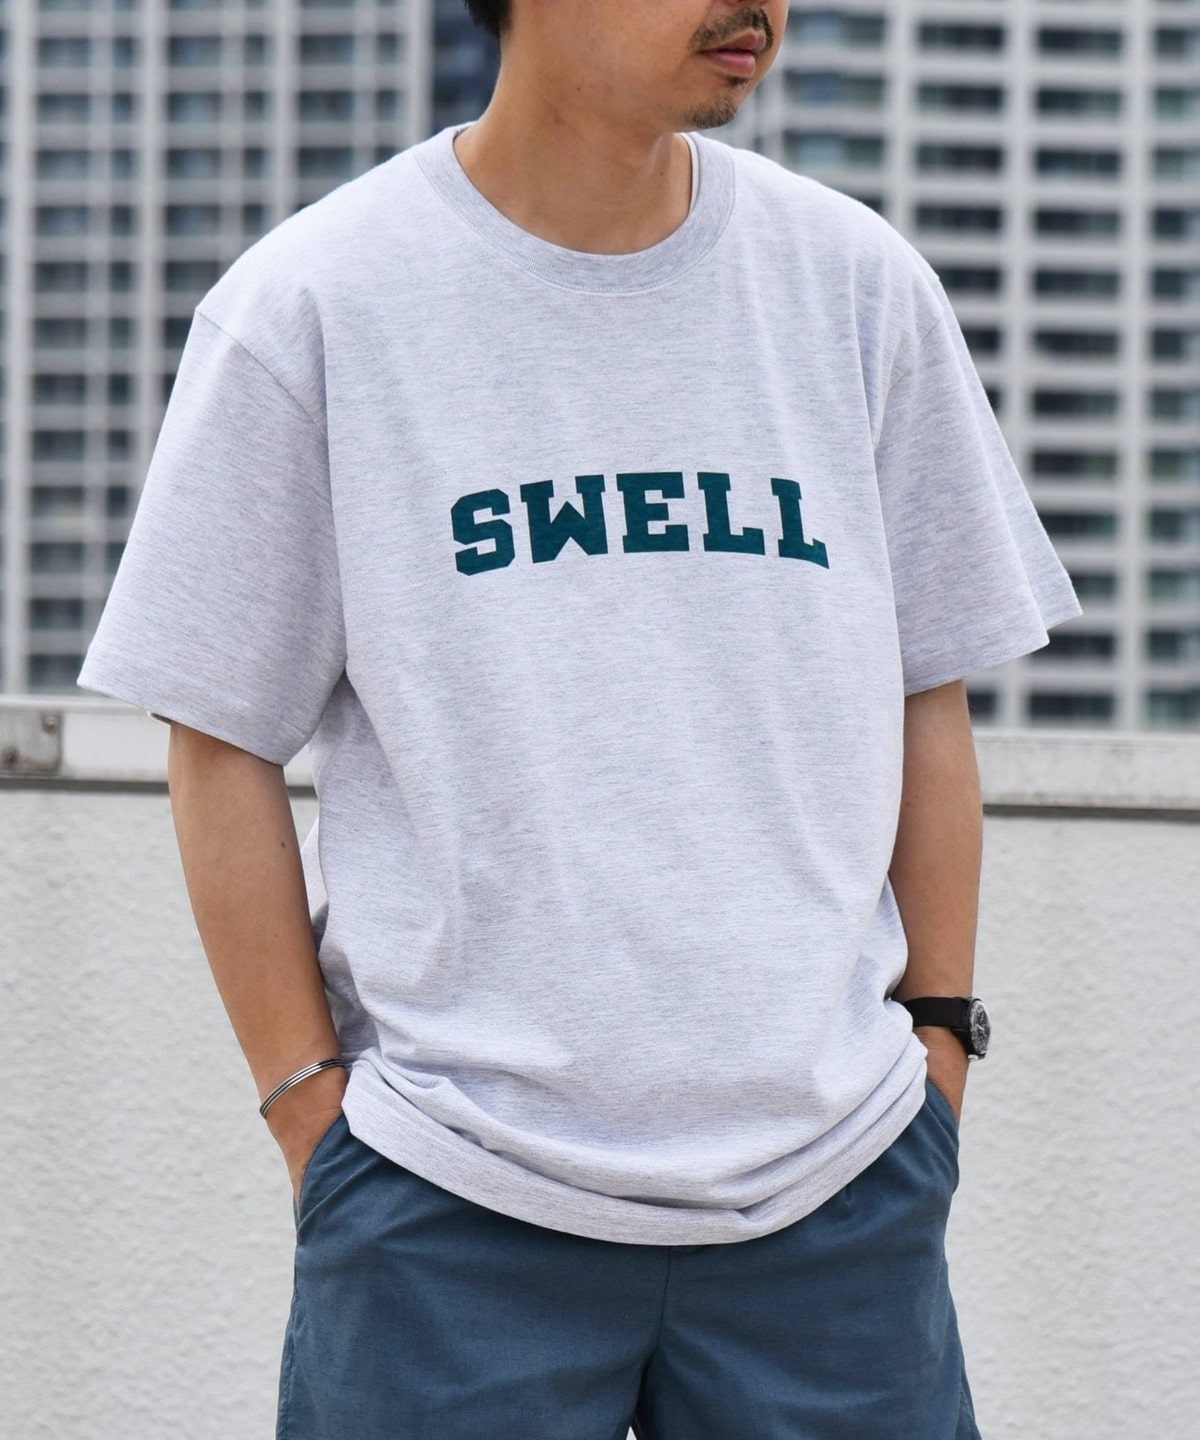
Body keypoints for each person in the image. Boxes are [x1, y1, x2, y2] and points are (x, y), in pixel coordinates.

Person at [77, 1, 1082, 1435]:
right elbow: (218, 739)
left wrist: (937, 1054)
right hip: (448, 1210)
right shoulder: (317, 304)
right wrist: (312, 1115)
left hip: (837, 1205)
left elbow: (928, 694)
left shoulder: (854, 286)